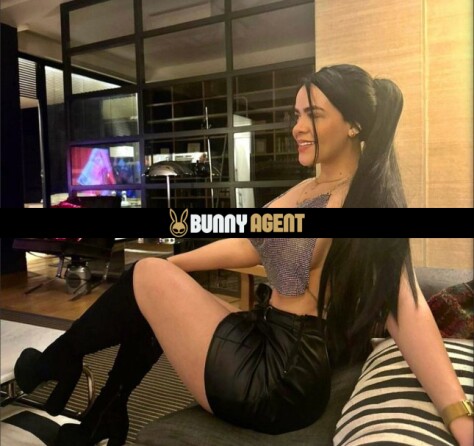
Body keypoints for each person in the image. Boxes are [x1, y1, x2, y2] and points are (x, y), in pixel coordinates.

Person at [14, 65, 473, 446]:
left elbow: (409, 311)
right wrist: (171, 270)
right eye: (296, 114)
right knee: (153, 286)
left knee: (147, 276)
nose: (297, 127)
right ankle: (104, 414)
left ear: (354, 125)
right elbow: (249, 241)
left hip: (280, 381)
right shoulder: (309, 188)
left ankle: (60, 361)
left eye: (313, 114)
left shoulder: (362, 204)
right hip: (267, 339)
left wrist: (459, 415)